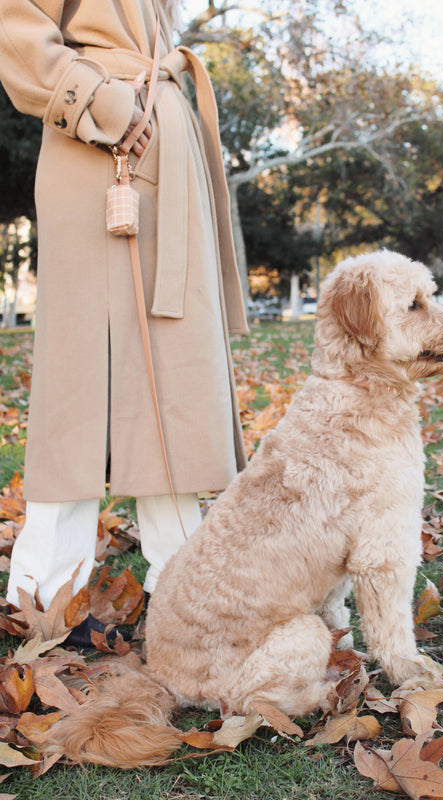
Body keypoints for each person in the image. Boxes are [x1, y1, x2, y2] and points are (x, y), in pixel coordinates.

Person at [0, 0, 248, 640]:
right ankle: (48, 596)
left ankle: (189, 596)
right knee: (77, 375)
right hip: (99, 153)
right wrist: (108, 105)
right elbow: (15, 25)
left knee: (173, 377)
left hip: (159, 140)